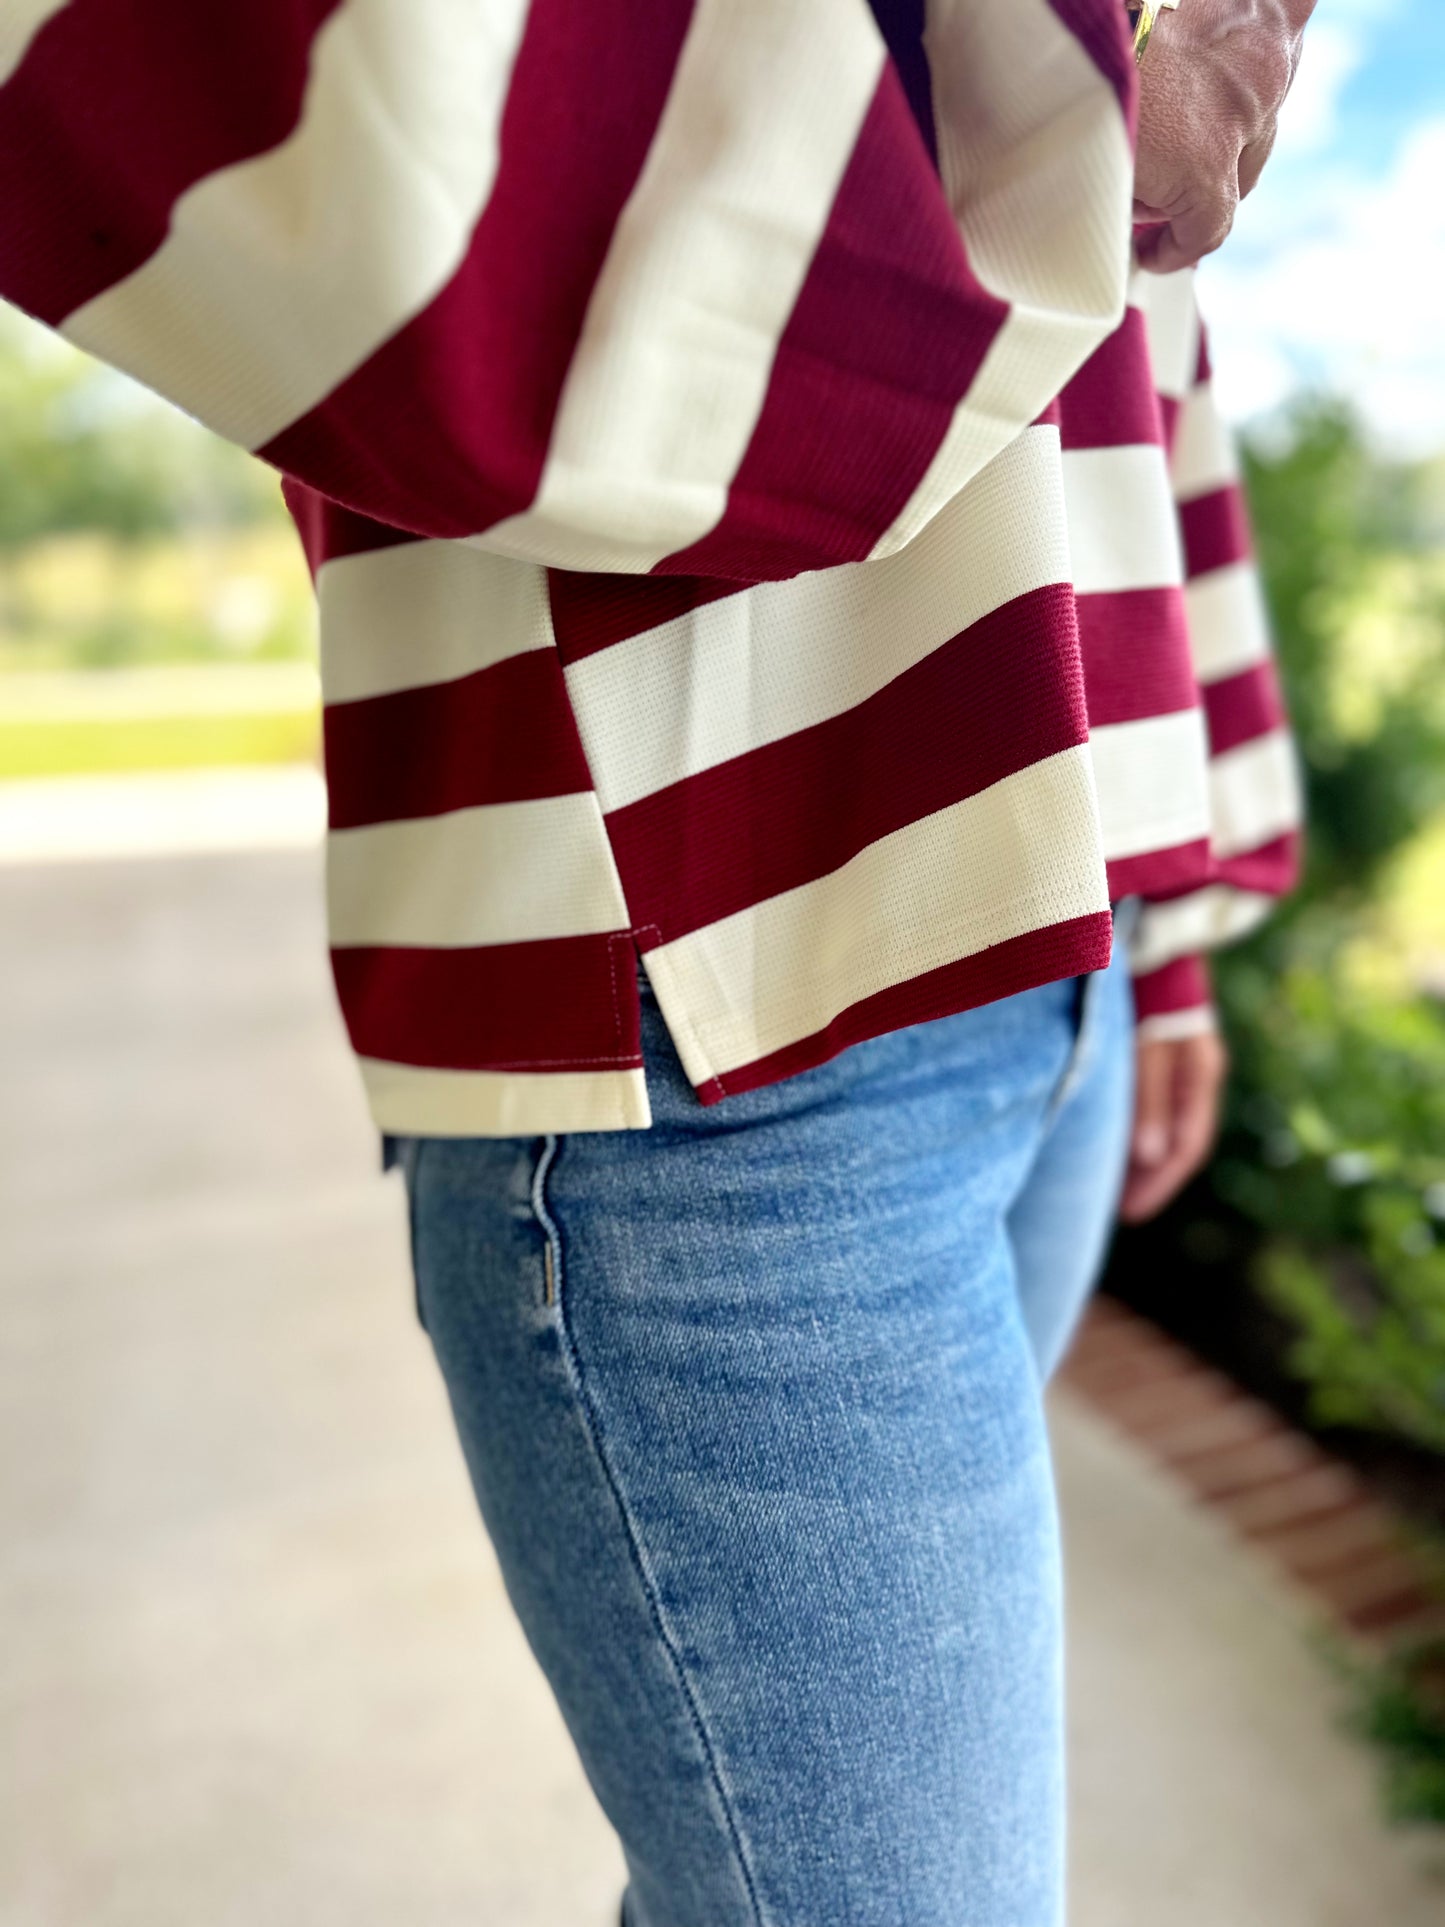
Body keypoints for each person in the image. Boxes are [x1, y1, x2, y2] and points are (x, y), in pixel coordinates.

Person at [0, 2, 1313, 1919]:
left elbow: (1150, 352)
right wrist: (1074, 47)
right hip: (722, 968)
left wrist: (1168, 919)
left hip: (1061, 919)